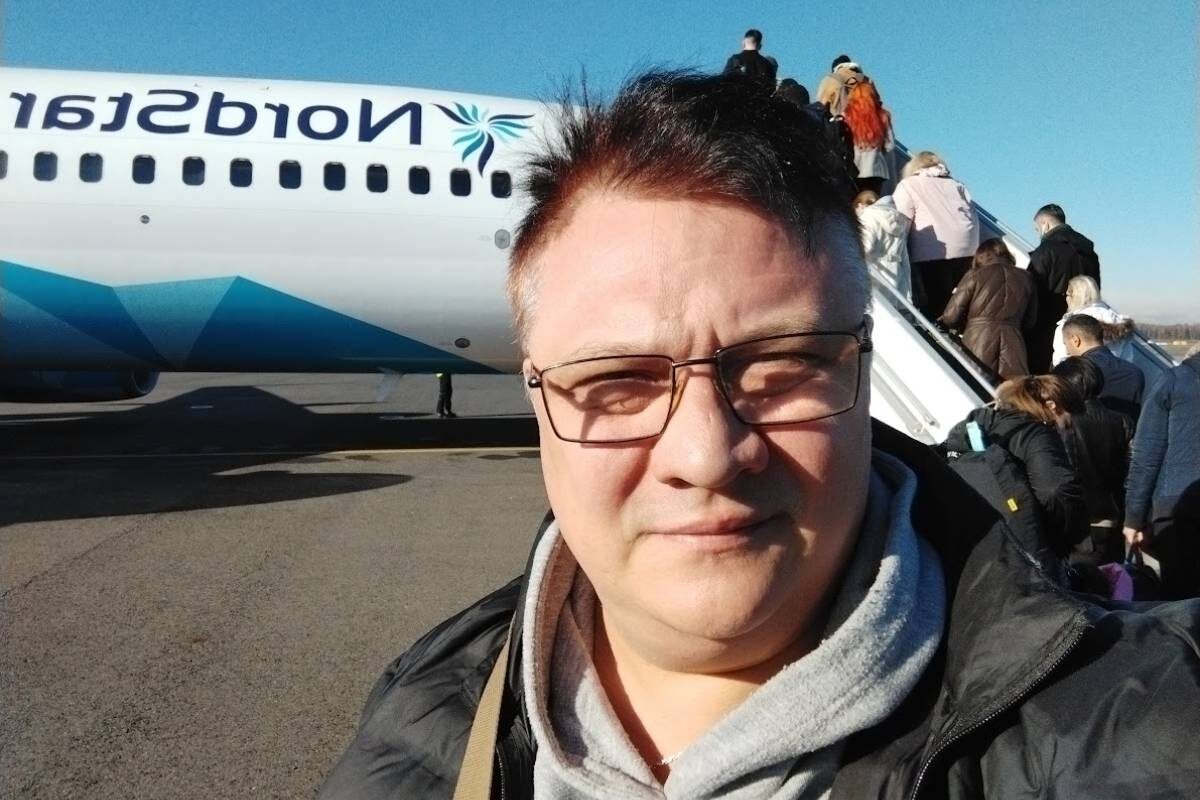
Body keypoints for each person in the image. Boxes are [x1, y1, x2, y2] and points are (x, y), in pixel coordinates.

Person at [320, 70, 1200, 800]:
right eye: (617, 381)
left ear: (862, 368)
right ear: (537, 395)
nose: (706, 455)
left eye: (783, 366)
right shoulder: (421, 716)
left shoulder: (1138, 728)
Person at [944, 375, 1088, 564]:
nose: (1064, 429)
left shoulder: (984, 424)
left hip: (977, 537)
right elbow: (1055, 490)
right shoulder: (1036, 434)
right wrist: (1071, 537)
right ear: (1053, 406)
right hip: (1026, 545)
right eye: (1067, 422)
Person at [1124, 344, 1200, 599]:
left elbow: (1146, 455)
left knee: (1181, 597)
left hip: (1179, 506)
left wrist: (1134, 518)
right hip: (1180, 504)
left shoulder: (1173, 381)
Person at [1052, 356, 1135, 566]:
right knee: (1112, 577)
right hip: (1111, 517)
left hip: (1074, 523)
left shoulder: (1059, 423)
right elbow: (1132, 472)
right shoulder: (1123, 421)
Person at [893, 151, 980, 320]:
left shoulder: (909, 184)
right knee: (957, 295)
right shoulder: (957, 184)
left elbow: (901, 220)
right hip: (968, 246)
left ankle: (936, 325)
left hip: (933, 248)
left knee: (935, 298)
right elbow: (972, 212)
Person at [937, 237, 1036, 380]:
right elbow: (1030, 320)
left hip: (977, 342)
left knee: (974, 386)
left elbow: (951, 316)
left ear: (980, 256)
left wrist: (950, 324)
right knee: (1012, 390)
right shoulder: (1027, 277)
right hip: (1014, 345)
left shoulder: (974, 274)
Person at [1026, 204, 1102, 372]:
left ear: (1045, 224)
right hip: (1083, 325)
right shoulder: (1089, 252)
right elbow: (1095, 287)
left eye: (1037, 229)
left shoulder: (1045, 251)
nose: (1038, 233)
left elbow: (1032, 289)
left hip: (1047, 325)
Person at [1062, 313, 1144, 419]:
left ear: (1075, 340)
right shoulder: (1134, 372)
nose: (1067, 351)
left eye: (1066, 344)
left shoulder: (1075, 373)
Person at [1051, 275, 1134, 366]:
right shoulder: (1119, 322)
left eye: (1066, 295)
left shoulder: (1070, 325)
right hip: (1115, 374)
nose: (1065, 299)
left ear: (1074, 296)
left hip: (1080, 373)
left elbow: (1060, 362)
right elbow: (1128, 358)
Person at [854, 189, 912, 301]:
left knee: (875, 307)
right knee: (891, 307)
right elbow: (904, 258)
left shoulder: (867, 217)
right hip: (896, 272)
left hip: (875, 272)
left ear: (860, 205)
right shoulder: (897, 219)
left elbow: (866, 247)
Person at [841, 79, 894, 195]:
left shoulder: (846, 115)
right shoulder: (883, 116)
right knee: (872, 201)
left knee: (854, 201)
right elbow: (890, 145)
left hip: (854, 168)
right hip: (876, 169)